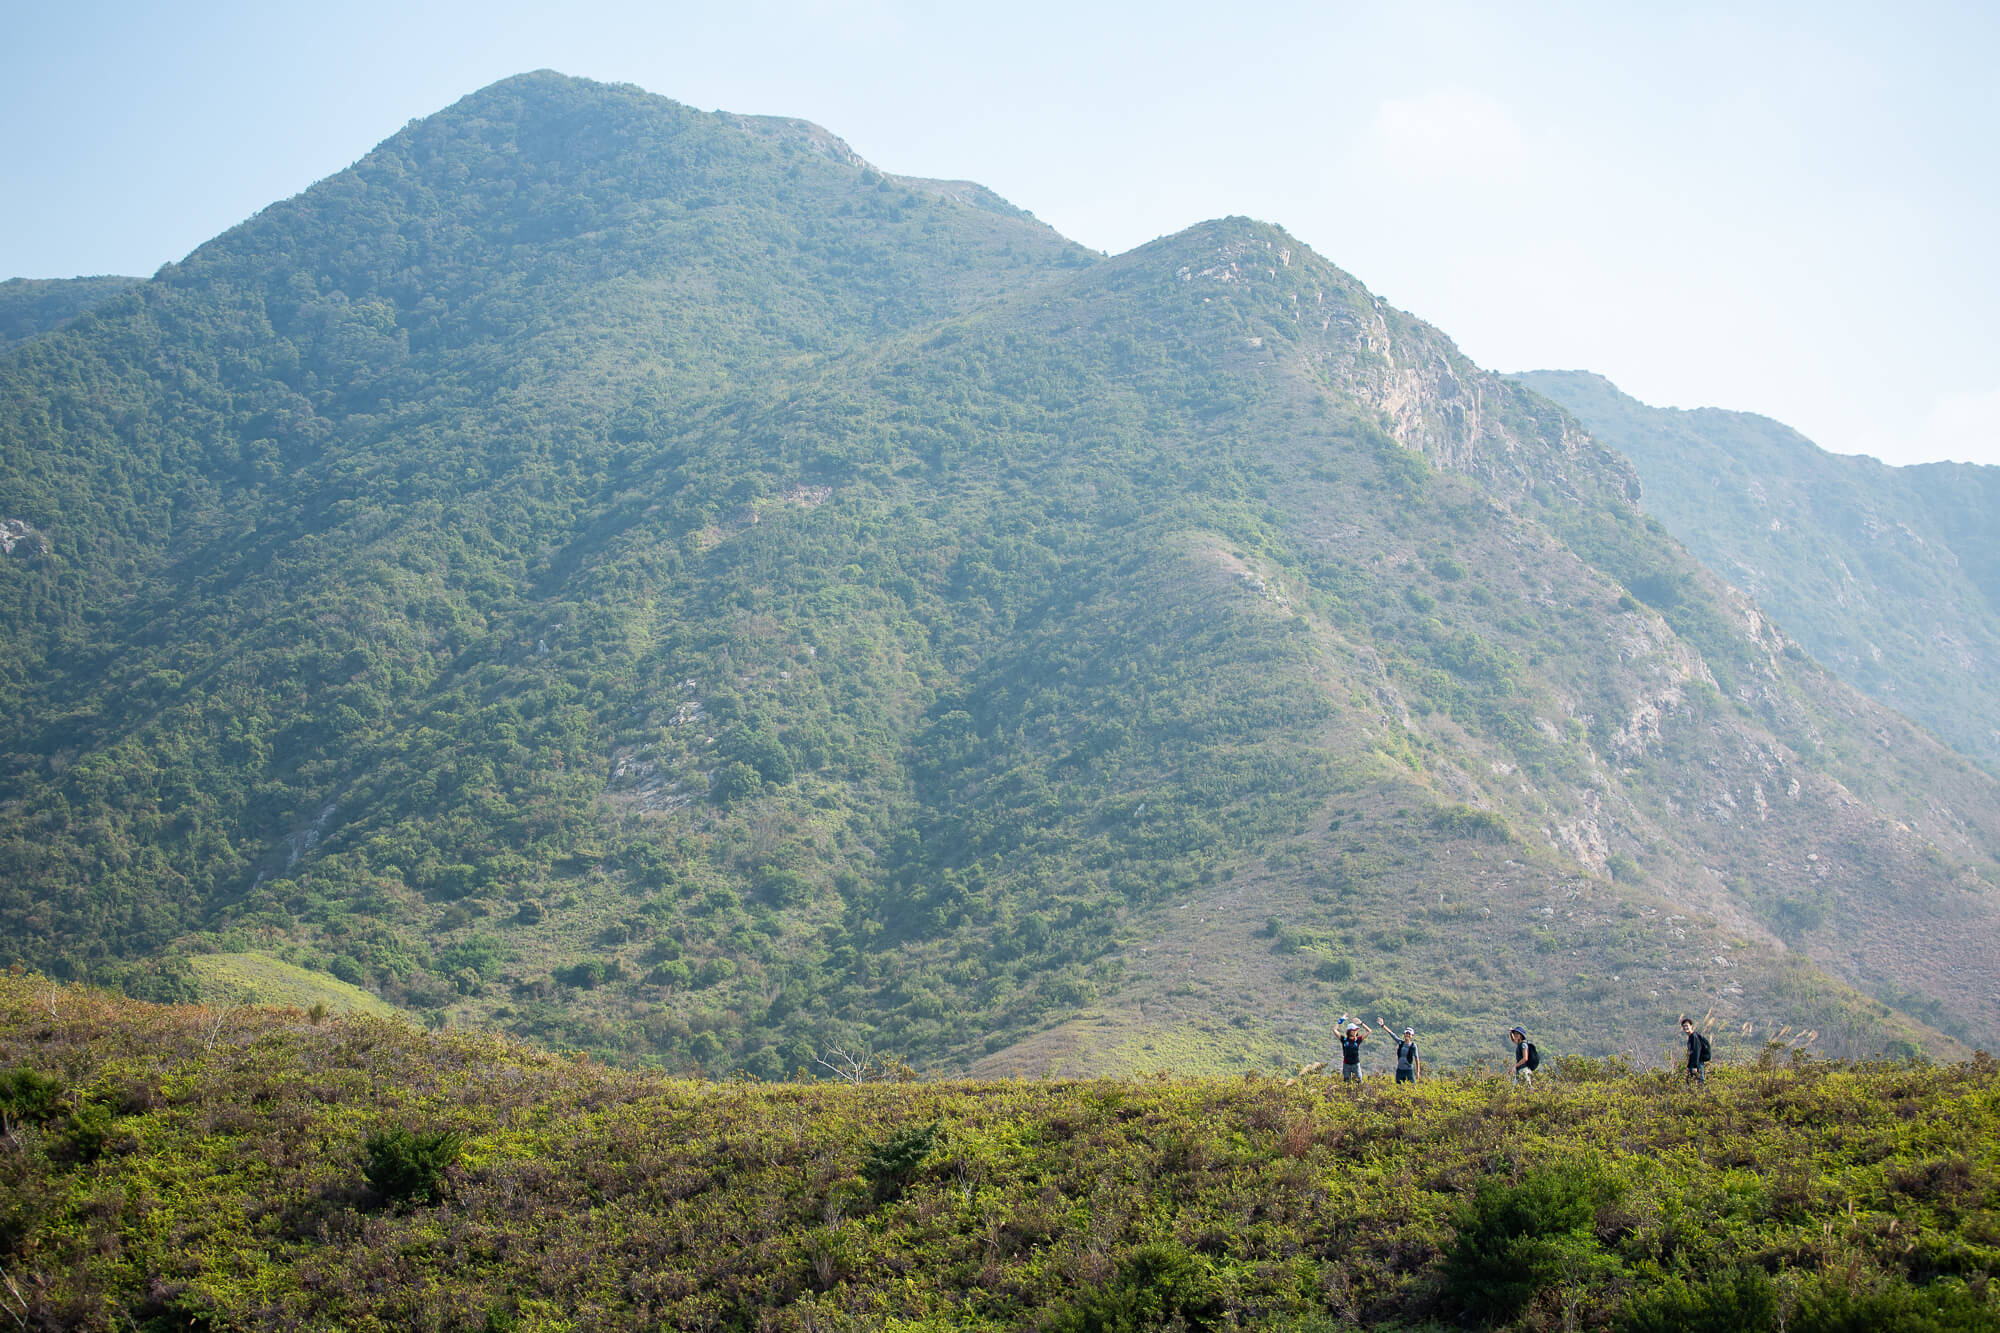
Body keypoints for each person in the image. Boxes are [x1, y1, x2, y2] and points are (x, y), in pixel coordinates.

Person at [1681, 1016, 1711, 1086]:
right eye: (1684, 1026)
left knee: (1699, 1083)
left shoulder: (1694, 1037)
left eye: (1687, 1026)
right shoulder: (1691, 1037)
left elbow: (1696, 1052)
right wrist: (1688, 1066)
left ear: (1691, 1026)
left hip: (1698, 1063)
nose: (1685, 1028)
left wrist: (1694, 1066)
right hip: (1694, 1064)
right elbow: (1691, 1054)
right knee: (1691, 1083)